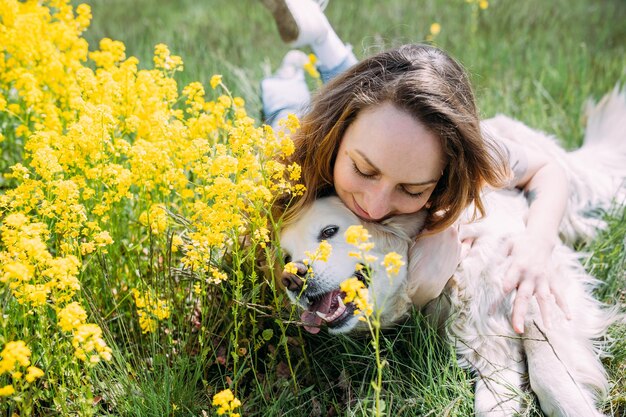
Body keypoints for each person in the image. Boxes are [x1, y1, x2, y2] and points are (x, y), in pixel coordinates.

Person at [260, 0, 571, 334]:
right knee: (285, 114)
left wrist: (538, 242)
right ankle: (295, 65)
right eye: (364, 171)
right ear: (338, 135)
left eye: (412, 190)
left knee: (371, 96)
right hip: (309, 133)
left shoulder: (460, 155)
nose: (374, 206)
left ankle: (322, 38)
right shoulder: (297, 160)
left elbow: (546, 170)